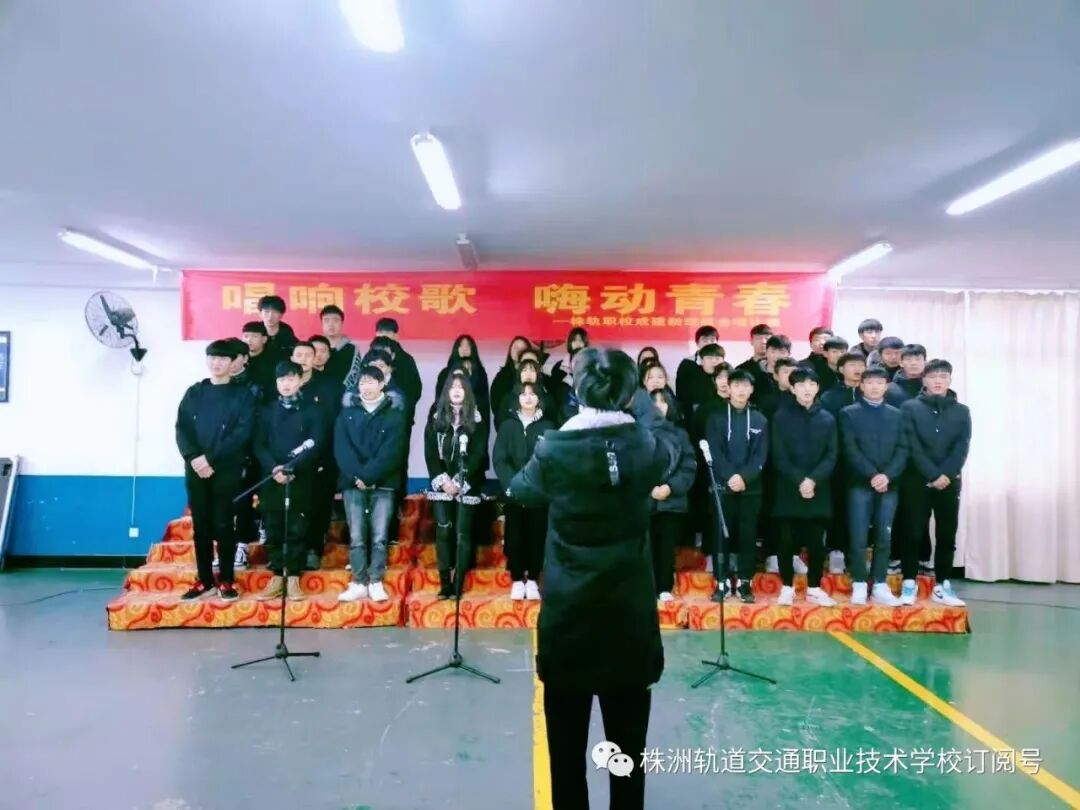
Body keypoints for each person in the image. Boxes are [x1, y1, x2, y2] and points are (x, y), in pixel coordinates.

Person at [509, 347, 667, 810]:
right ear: (630, 393)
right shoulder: (646, 444)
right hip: (629, 618)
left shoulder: (553, 448)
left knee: (566, 757)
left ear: (578, 391)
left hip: (570, 618)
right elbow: (662, 455)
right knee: (628, 757)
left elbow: (521, 490)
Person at [174, 340, 256, 601]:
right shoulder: (194, 392)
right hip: (196, 469)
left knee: (224, 524)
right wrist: (194, 458)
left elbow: (241, 433)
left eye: (222, 359)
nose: (217, 363)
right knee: (201, 525)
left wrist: (210, 459)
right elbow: (182, 429)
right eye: (212, 358)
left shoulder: (242, 395)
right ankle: (204, 579)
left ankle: (227, 580)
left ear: (233, 363)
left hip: (226, 468)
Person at [253, 361, 330, 602]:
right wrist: (273, 468)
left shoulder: (313, 410)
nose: (286, 384)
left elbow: (317, 443)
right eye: (281, 380)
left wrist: (293, 467)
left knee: (297, 529)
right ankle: (277, 576)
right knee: (274, 528)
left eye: (290, 379)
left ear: (300, 380)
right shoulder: (267, 410)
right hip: (272, 477)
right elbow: (259, 445)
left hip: (301, 477)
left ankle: (294, 577)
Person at [900, 360, 971, 607]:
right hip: (916, 480)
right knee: (913, 532)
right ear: (924, 380)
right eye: (933, 376)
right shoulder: (909, 407)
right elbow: (911, 444)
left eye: (943, 376)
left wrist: (946, 474)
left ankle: (942, 584)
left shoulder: (962, 411)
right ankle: (909, 582)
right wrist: (932, 474)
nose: (938, 381)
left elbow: (962, 446)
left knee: (946, 533)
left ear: (950, 380)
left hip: (949, 482)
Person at [334, 365, 407, 604]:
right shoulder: (347, 413)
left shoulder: (395, 414)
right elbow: (342, 449)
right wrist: (358, 475)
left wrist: (369, 476)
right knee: (356, 536)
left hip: (383, 482)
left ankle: (375, 580)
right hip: (352, 482)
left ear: (382, 384)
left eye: (371, 382)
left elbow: (393, 451)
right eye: (362, 382)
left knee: (379, 536)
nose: (366, 386)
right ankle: (358, 581)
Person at [838, 367, 907, 606]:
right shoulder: (848, 413)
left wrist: (887, 475)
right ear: (861, 386)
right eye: (870, 382)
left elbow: (903, 449)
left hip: (889, 484)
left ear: (886, 386)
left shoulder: (897, 414)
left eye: (880, 382)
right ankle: (859, 581)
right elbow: (849, 449)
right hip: (859, 483)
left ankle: (879, 583)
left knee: (884, 536)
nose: (875, 387)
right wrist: (872, 474)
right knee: (858, 535)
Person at [770, 368, 838, 607]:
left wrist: (812, 480)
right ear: (792, 388)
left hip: (818, 488)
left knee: (816, 542)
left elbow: (832, 455)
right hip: (789, 488)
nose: (806, 388)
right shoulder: (781, 417)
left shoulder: (828, 419)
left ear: (817, 388)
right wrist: (800, 480)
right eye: (800, 384)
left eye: (811, 384)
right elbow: (778, 455)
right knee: (786, 541)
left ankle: (814, 588)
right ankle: (787, 587)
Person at [702, 368, 769, 602]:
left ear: (752, 389)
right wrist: (730, 476)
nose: (741, 390)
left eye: (745, 386)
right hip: (723, 487)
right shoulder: (715, 418)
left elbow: (761, 455)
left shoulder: (760, 419)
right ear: (728, 388)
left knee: (748, 535)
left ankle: (744, 582)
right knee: (721, 535)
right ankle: (721, 582)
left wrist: (744, 478)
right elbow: (714, 451)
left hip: (751, 489)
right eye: (736, 385)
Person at [424, 371, 488, 598]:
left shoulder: (476, 418)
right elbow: (431, 453)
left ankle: (458, 583)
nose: (457, 390)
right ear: (446, 391)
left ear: (467, 391)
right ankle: (445, 584)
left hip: (466, 483)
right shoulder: (436, 416)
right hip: (442, 484)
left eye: (461, 387)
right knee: (443, 532)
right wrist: (443, 481)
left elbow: (478, 453)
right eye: (453, 387)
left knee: (462, 534)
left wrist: (461, 481)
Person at [493, 382, 554, 600]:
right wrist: (513, 484)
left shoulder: (548, 427)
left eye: (532, 394)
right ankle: (518, 579)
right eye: (523, 394)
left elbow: (551, 460)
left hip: (538, 492)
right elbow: (500, 459)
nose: (528, 397)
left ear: (539, 398)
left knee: (537, 536)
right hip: (514, 493)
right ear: (517, 399)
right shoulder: (508, 426)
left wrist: (537, 483)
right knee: (515, 537)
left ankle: (534, 579)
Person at [643, 390, 697, 601]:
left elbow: (688, 465)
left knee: (667, 547)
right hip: (645, 501)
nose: (659, 405)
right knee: (645, 547)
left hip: (671, 501)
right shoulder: (638, 432)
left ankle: (665, 587)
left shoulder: (680, 434)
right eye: (654, 402)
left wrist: (670, 487)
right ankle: (647, 588)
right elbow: (633, 464)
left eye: (663, 401)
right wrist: (649, 488)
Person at [820, 352, 866, 574]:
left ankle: (857, 554)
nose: (857, 369)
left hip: (866, 463)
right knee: (838, 506)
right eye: (852, 365)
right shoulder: (829, 397)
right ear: (841, 369)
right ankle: (836, 550)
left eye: (860, 364)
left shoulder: (871, 395)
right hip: (838, 462)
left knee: (861, 511)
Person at [435, 334, 491, 422]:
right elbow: (439, 399)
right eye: (461, 345)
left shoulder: (480, 373)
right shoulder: (445, 373)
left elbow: (484, 402)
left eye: (468, 345)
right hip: (448, 419)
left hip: (474, 419)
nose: (465, 348)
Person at [675, 326, 721, 417]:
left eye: (712, 340)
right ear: (697, 343)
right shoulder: (687, 364)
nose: (709, 343)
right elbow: (681, 394)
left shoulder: (722, 365)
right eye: (705, 340)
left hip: (718, 413)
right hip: (693, 415)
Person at [490, 336, 534, 423]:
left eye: (523, 348)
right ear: (510, 351)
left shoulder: (534, 375)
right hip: (507, 422)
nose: (519, 351)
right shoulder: (502, 376)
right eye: (515, 348)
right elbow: (496, 405)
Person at [320, 304, 357, 384]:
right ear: (321, 323)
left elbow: (355, 375)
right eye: (326, 320)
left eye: (335, 320)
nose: (331, 324)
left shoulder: (353, 349)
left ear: (342, 323)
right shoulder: (314, 348)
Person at [257, 295, 297, 364]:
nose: (270, 316)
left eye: (275, 312)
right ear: (260, 314)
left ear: (281, 315)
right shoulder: (255, 329)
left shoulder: (286, 331)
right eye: (266, 312)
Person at [240, 321, 274, 402]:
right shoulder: (237, 358)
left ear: (264, 339)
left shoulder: (273, 360)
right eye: (246, 336)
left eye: (254, 336)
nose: (249, 340)